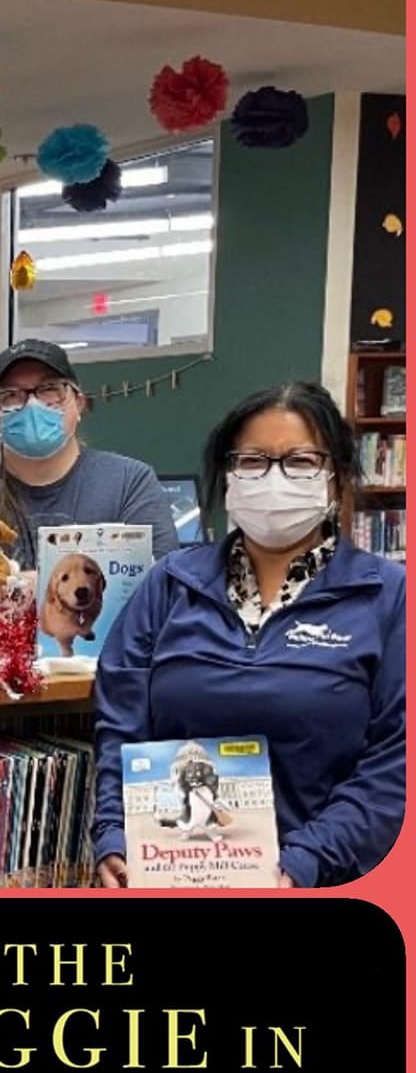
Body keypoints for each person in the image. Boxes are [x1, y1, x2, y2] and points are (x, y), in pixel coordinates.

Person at [92, 379, 404, 888]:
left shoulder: (389, 597)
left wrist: (305, 861)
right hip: (173, 874)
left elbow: (397, 763)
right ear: (228, 475)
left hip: (323, 880)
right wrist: (113, 832)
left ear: (338, 476)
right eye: (252, 462)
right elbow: (121, 726)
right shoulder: (169, 585)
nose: (273, 478)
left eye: (301, 461)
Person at [0, 339, 180, 564]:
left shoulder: (128, 483)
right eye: (11, 395)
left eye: (50, 390)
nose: (32, 405)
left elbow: (161, 584)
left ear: (79, 403)